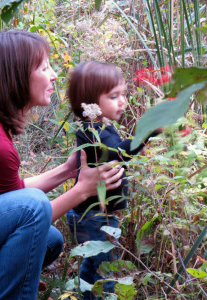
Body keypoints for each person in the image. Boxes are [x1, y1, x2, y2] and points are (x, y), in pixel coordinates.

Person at [0, 31, 124, 299]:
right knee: (34, 207)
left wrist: (68, 170)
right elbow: (26, 211)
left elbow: (10, 199)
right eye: (43, 67)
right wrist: (82, 190)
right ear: (16, 77)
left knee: (49, 241)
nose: (54, 75)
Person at [67, 61, 161, 299]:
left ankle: (86, 294)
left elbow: (116, 152)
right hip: (94, 217)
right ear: (89, 102)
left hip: (92, 215)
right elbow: (119, 154)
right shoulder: (93, 130)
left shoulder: (98, 128)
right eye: (113, 96)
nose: (123, 102)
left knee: (93, 266)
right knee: (106, 270)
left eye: (123, 95)